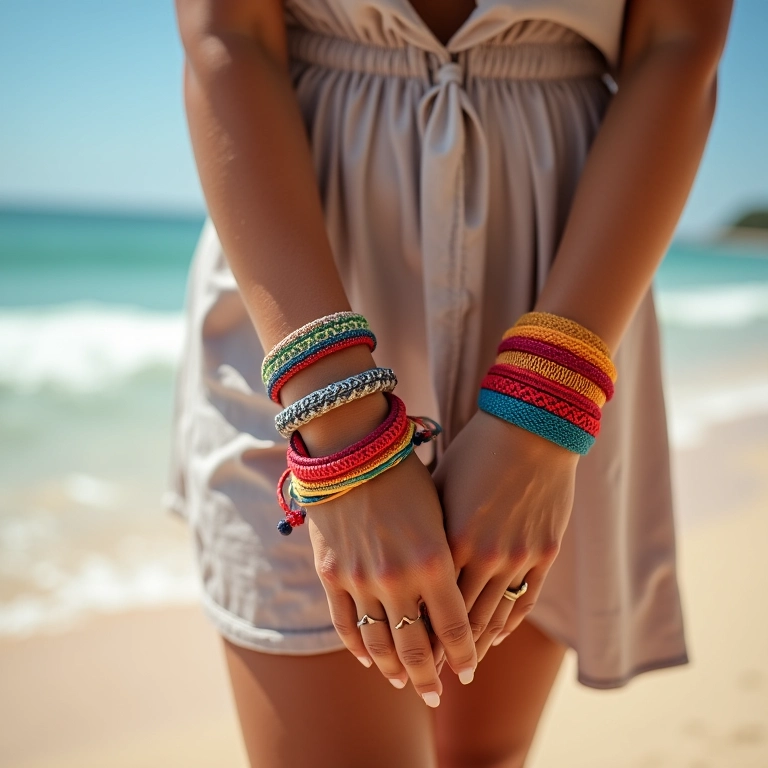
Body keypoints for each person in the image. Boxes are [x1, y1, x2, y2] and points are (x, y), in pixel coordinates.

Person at [168, 1, 733, 765]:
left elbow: (680, 40)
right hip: (295, 273)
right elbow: (227, 33)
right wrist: (341, 434)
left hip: (569, 272)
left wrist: (542, 410)